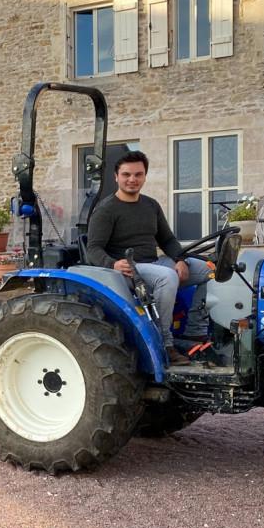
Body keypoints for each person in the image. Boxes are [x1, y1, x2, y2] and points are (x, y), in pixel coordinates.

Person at [84, 150, 210, 366]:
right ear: (116, 177)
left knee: (211, 270)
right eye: (126, 174)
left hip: (154, 263)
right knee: (167, 277)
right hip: (128, 269)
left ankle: (195, 331)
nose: (132, 179)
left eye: (138, 174)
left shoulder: (150, 205)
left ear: (144, 176)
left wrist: (180, 259)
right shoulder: (106, 210)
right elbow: (93, 248)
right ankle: (164, 343)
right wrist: (113, 263)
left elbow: (167, 239)